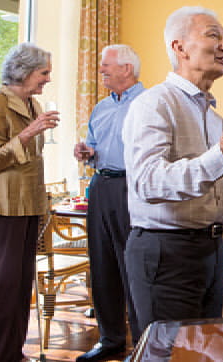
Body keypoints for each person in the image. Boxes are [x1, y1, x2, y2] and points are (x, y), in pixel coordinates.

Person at [122, 6, 223, 342]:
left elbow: (204, 189)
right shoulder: (154, 104)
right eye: (213, 35)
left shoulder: (212, 116)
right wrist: (220, 159)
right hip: (166, 254)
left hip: (209, 251)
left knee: (202, 349)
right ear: (179, 48)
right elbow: (147, 182)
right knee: (166, 353)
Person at [0, 42, 59, 362]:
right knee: (5, 284)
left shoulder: (31, 104)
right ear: (23, 72)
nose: (47, 79)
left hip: (29, 204)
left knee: (23, 284)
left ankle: (12, 351)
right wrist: (28, 134)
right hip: (4, 207)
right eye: (44, 72)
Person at [73, 45, 144, 362]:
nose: (101, 70)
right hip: (100, 186)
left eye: (106, 66)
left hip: (134, 187)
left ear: (126, 69)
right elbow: (95, 146)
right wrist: (86, 153)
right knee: (102, 264)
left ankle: (144, 341)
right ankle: (111, 338)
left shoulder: (149, 103)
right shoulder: (100, 107)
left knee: (133, 266)